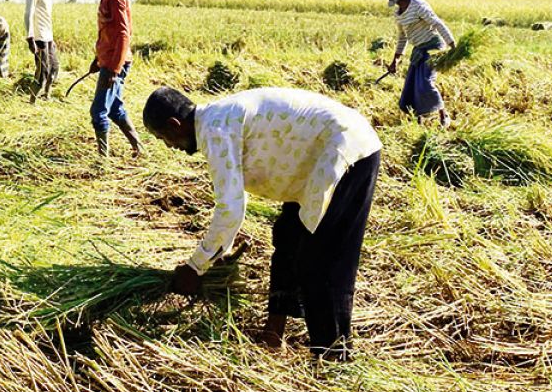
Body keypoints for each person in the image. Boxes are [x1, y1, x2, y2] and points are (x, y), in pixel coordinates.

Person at [142, 86, 382, 360]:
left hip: (345, 152)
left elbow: (230, 209)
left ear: (175, 125)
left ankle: (332, 356)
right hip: (316, 159)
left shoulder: (215, 130)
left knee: (319, 262)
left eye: (164, 138)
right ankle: (273, 333)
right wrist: (222, 252)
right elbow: (233, 199)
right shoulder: (217, 119)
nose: (169, 146)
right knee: (288, 238)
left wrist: (195, 267)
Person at [82, 0, 145, 157]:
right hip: (108, 61)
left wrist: (114, 70)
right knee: (115, 108)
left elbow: (123, 35)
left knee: (98, 111)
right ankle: (140, 149)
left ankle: (103, 159)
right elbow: (107, 34)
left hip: (115, 63)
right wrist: (97, 60)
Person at [386, 0, 456, 127]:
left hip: (433, 47)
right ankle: (419, 120)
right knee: (411, 84)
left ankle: (444, 115)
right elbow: (402, 37)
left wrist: (452, 45)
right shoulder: (398, 14)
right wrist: (395, 61)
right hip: (418, 49)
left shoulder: (418, 6)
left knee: (425, 82)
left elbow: (437, 23)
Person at [25, 0, 58, 102]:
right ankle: (32, 100)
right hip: (39, 37)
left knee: (54, 67)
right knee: (42, 71)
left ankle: (47, 94)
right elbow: (28, 13)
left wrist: (52, 38)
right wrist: (30, 37)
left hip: (48, 36)